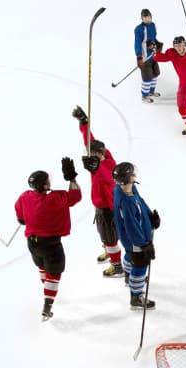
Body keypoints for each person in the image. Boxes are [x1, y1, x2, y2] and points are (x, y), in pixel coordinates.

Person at [14, 158, 82, 320]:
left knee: (43, 267)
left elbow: (18, 209)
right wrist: (71, 178)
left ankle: (47, 291)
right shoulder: (55, 198)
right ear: (44, 185)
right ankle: (48, 304)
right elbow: (76, 196)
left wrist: (21, 218)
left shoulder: (25, 196)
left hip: (32, 242)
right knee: (54, 272)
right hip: (50, 244)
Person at [71, 105, 124, 277]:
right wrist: (83, 123)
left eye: (94, 155)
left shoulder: (107, 165)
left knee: (110, 237)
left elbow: (107, 176)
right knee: (103, 234)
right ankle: (109, 251)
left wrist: (96, 167)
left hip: (107, 209)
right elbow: (89, 140)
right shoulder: (103, 154)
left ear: (101, 155)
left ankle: (117, 265)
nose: (90, 156)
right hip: (100, 206)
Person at [113, 162, 159, 310]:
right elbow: (131, 227)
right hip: (135, 241)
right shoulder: (125, 202)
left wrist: (150, 215)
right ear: (127, 178)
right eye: (132, 173)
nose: (135, 175)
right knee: (140, 264)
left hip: (131, 240)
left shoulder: (129, 188)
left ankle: (128, 275)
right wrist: (144, 245)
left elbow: (140, 201)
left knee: (129, 255)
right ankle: (136, 296)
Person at [134, 9, 164, 103]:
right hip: (145, 57)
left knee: (155, 73)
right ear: (142, 18)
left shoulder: (153, 25)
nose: (147, 19)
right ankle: (144, 95)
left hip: (153, 54)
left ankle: (151, 92)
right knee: (147, 76)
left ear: (151, 16)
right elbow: (137, 43)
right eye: (144, 17)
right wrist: (139, 56)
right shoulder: (139, 29)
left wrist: (157, 43)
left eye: (148, 17)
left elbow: (153, 37)